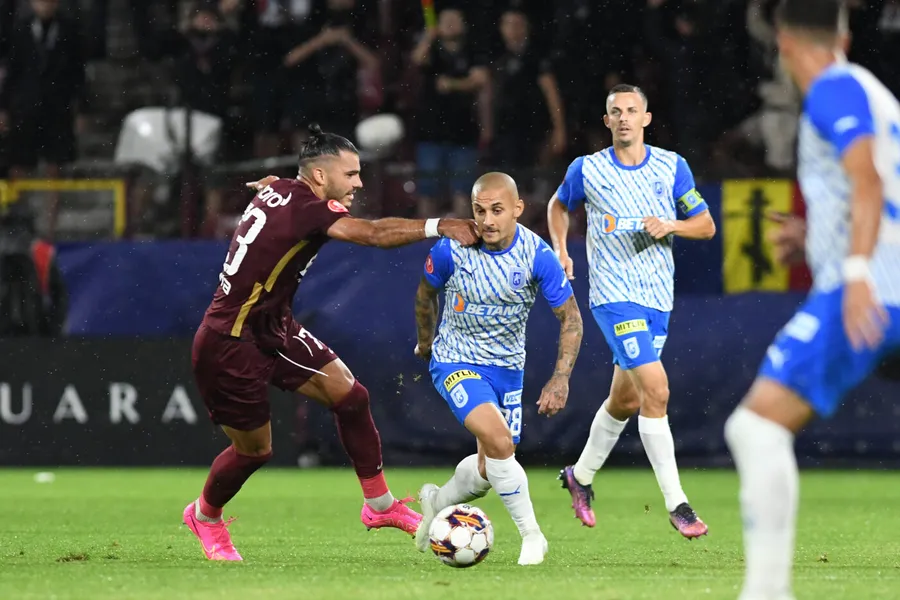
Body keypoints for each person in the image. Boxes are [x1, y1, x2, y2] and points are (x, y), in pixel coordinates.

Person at [183, 124, 480, 561]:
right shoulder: (306, 207)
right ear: (320, 176)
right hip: (231, 341)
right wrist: (441, 225)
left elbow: (280, 192)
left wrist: (273, 186)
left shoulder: (283, 189)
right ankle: (204, 516)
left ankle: (380, 506)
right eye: (351, 174)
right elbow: (374, 235)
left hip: (272, 326)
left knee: (351, 397)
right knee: (255, 451)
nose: (358, 183)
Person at [726, 0, 900, 585]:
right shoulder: (873, 92)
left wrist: (855, 269)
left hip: (874, 288)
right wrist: (816, 237)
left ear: (781, 44)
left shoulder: (831, 88)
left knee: (755, 427)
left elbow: (868, 178)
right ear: (844, 37)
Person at [547, 84, 716, 537]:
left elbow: (705, 225)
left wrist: (672, 224)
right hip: (613, 296)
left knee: (625, 399)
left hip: (658, 297)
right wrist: (561, 249)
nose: (624, 118)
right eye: (616, 112)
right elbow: (559, 204)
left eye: (631, 110)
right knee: (656, 389)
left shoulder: (671, 166)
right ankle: (678, 505)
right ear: (607, 121)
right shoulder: (588, 169)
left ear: (646, 118)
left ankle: (579, 476)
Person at [412, 172, 583, 566]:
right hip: (455, 360)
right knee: (500, 442)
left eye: (497, 210)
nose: (487, 220)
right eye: (479, 210)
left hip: (507, 369)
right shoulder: (452, 249)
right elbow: (425, 295)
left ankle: (437, 502)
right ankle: (533, 536)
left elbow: (571, 319)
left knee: (490, 468)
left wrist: (560, 378)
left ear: (518, 209)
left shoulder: (536, 255)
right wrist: (426, 341)